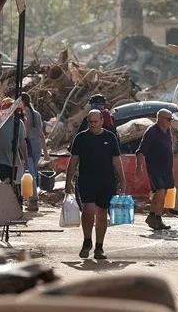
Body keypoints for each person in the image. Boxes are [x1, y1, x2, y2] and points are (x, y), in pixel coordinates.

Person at [65, 110, 126, 260]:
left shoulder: (110, 137)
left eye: (95, 122)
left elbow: (117, 161)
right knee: (88, 210)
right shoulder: (81, 138)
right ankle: (87, 242)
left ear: (101, 121)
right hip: (87, 180)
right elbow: (73, 161)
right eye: (90, 122)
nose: (92, 125)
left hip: (106, 181)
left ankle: (99, 247)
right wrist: (68, 181)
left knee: (101, 213)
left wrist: (123, 181)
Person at [135, 109, 174, 230]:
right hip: (155, 167)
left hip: (166, 168)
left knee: (165, 192)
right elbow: (140, 152)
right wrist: (139, 168)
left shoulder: (167, 131)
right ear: (160, 118)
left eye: (171, 119)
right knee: (160, 190)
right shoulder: (152, 132)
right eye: (168, 119)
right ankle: (151, 216)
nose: (170, 122)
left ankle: (157, 218)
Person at [0, 98, 28, 204]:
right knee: (5, 182)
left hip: (14, 161)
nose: (7, 110)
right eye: (5, 108)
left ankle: (16, 205)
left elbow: (22, 143)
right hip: (0, 160)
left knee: (14, 184)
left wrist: (26, 159)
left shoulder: (18, 124)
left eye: (10, 108)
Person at [21, 93, 48, 212]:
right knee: (31, 172)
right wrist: (46, 152)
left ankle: (33, 201)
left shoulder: (22, 114)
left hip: (28, 146)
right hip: (37, 146)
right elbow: (41, 134)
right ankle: (29, 199)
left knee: (29, 173)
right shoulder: (36, 114)